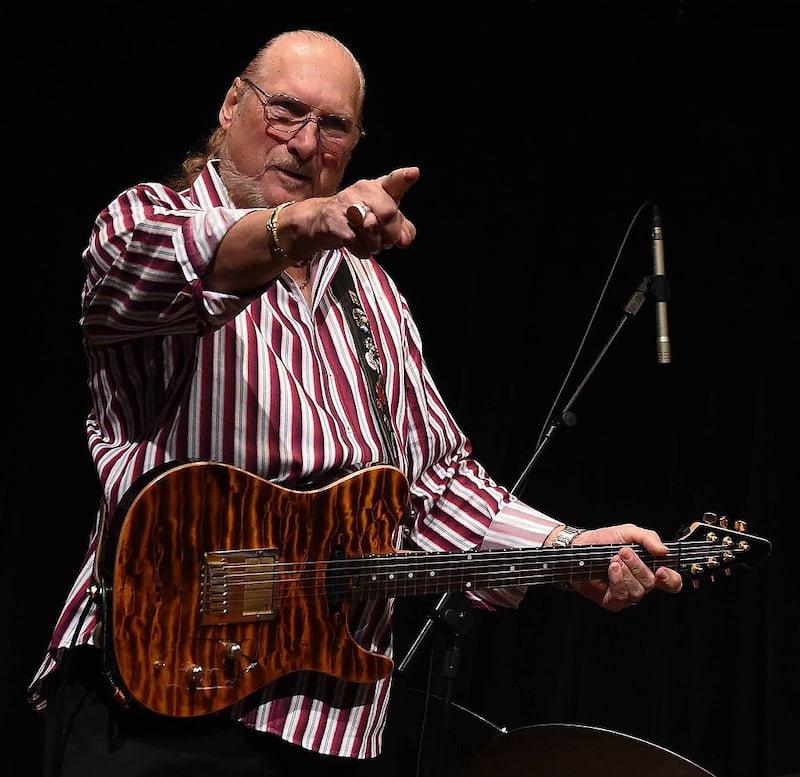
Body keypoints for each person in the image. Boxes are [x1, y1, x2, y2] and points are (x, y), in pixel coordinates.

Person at [28, 28, 684, 777]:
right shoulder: (143, 220)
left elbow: (434, 487)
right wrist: (309, 223)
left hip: (328, 724)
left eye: (334, 126)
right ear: (232, 104)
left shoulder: (373, 296)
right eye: (285, 110)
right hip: (157, 695)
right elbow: (150, 267)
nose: (307, 143)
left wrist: (568, 552)